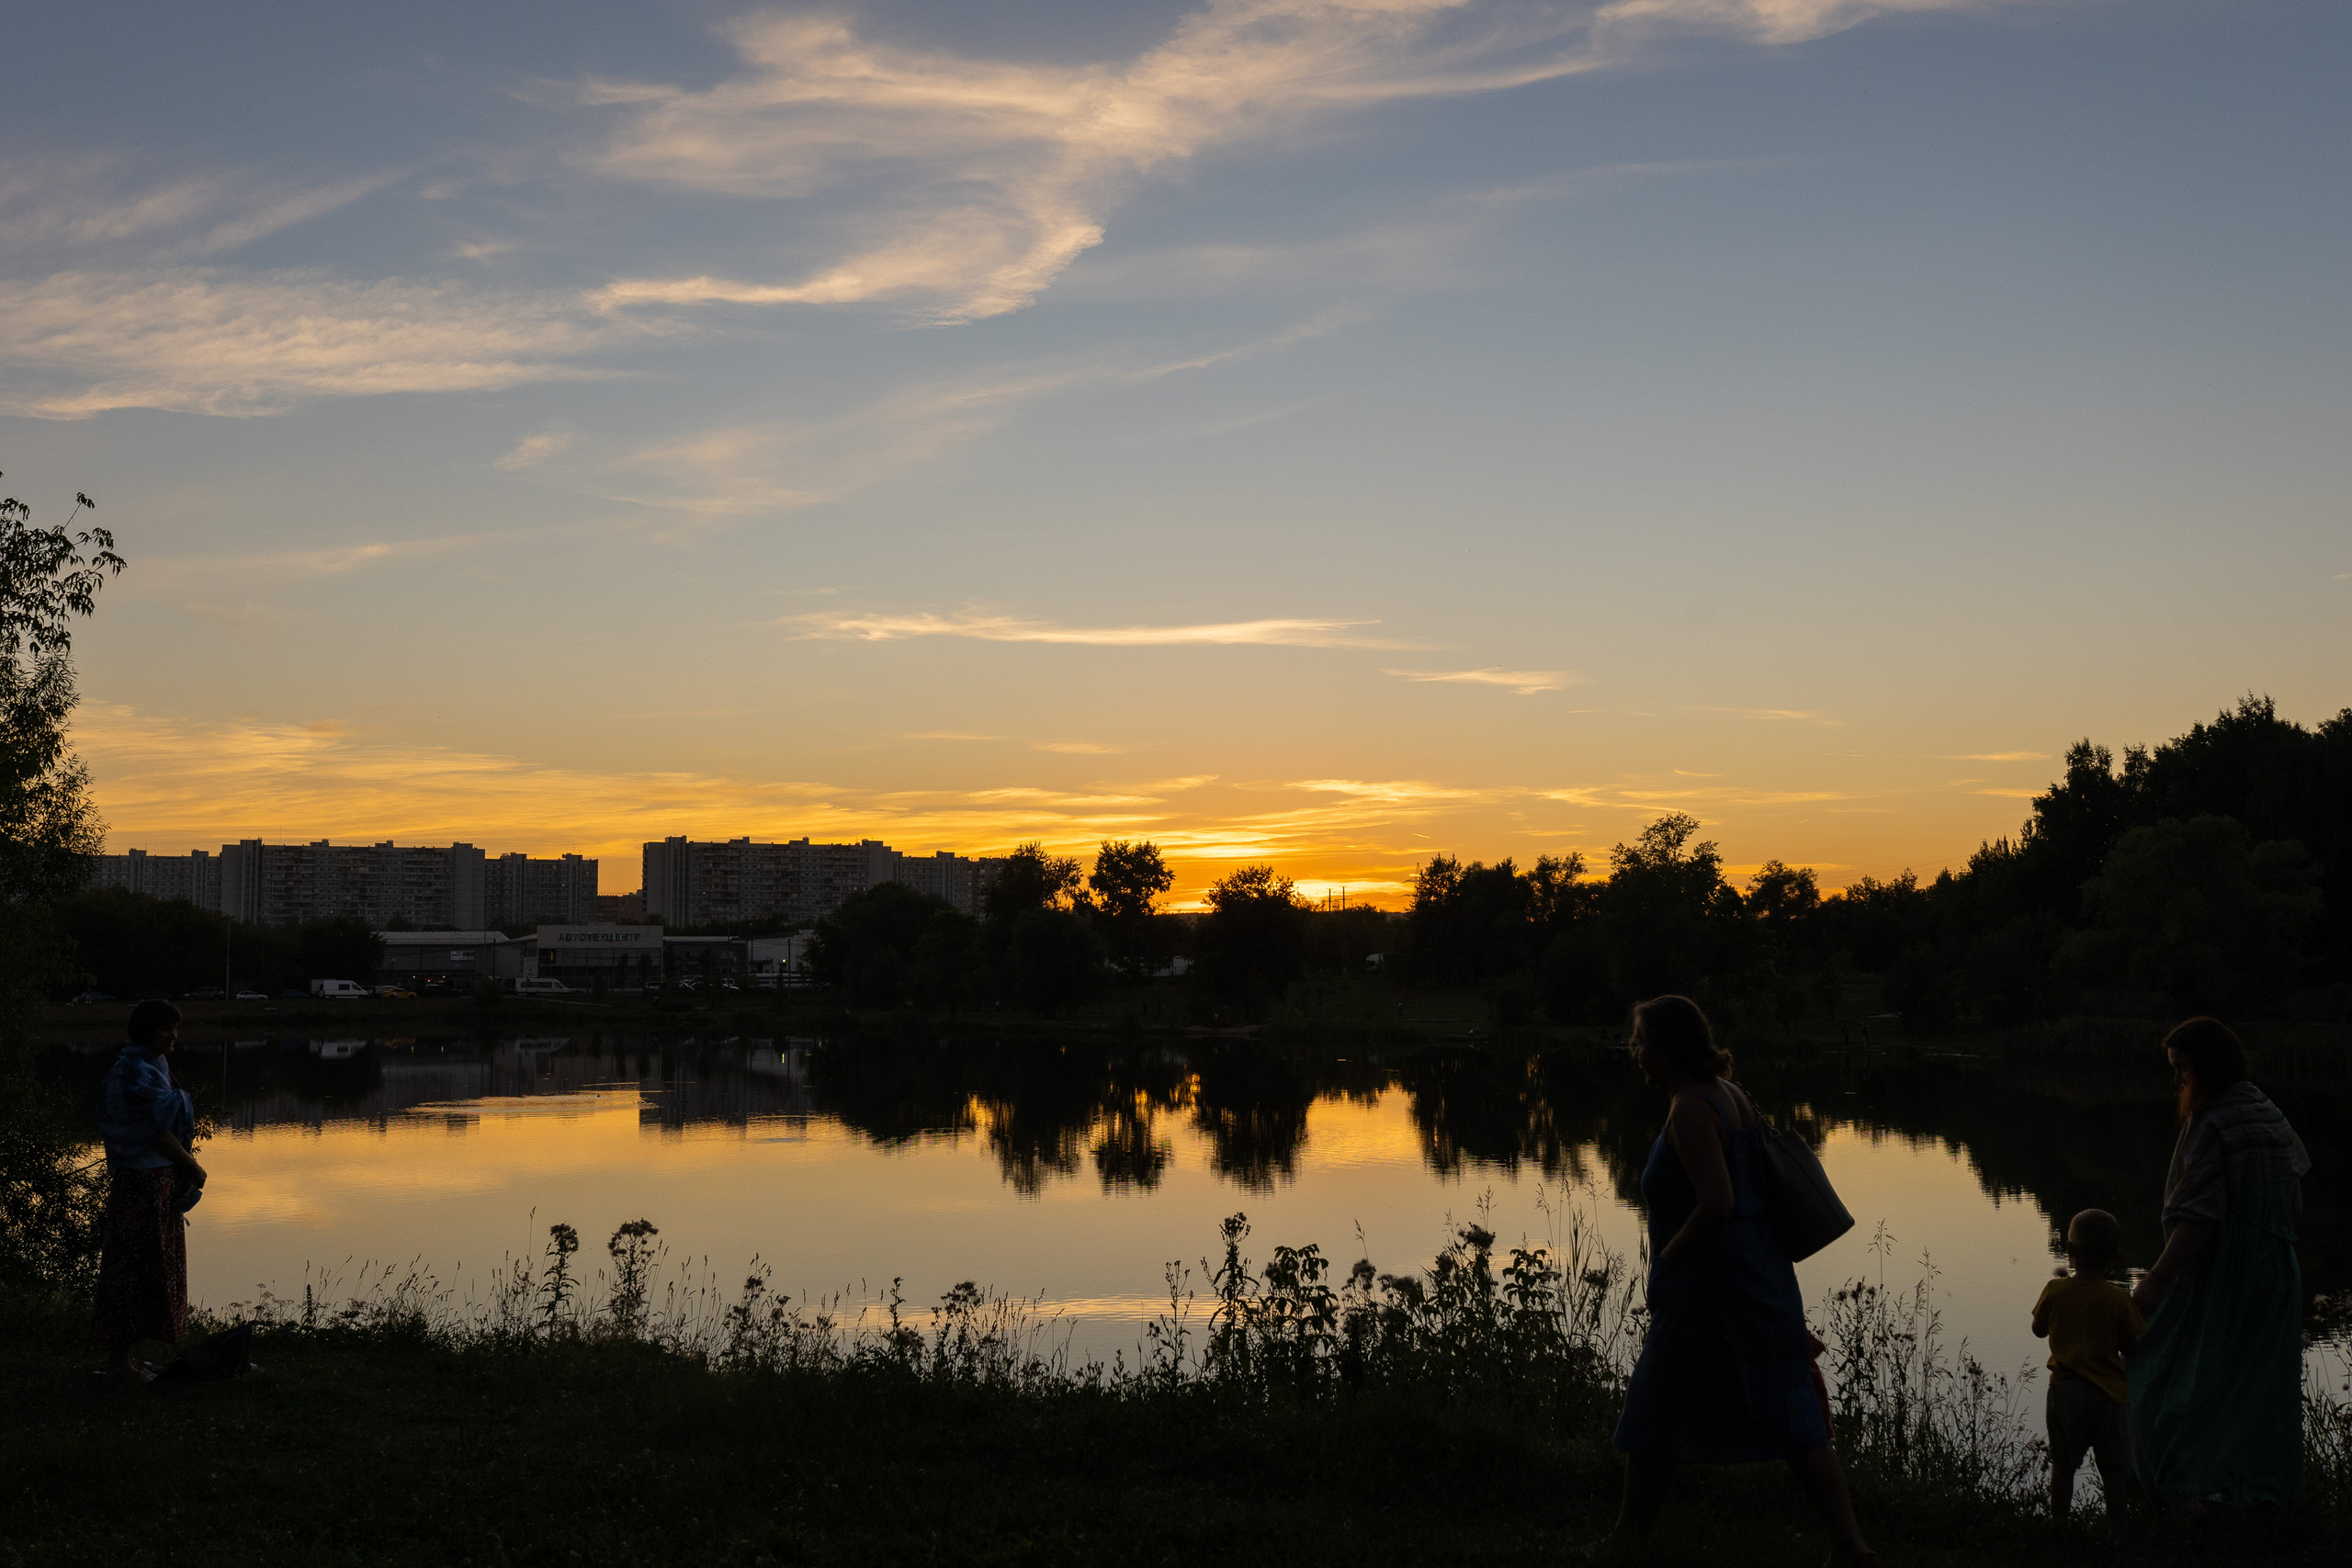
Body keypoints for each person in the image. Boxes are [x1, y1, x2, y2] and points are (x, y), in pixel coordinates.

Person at [1597, 995, 1876, 1565]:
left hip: (1710, 1288)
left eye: (1643, 1042)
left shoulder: (1692, 1110)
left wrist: (1670, 1255)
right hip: (1760, 1278)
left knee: (1655, 1407)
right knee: (1789, 1409)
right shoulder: (1733, 1096)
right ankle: (1851, 1547)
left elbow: (1717, 1202)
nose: (1637, 1053)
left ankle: (1627, 1541)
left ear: (1672, 1048)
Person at [2127, 1017, 2308, 1507]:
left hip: (2228, 1273)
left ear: (2205, 1067)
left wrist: (2157, 1280)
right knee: (2255, 1387)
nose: (2181, 1080)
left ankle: (2184, 1491)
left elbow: (2199, 1217)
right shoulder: (2265, 1107)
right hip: (2278, 1267)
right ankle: (2253, 1494)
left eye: (2184, 1069)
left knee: (2164, 1371)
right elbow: (2293, 1202)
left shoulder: (2213, 1120)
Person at [93, 998, 205, 1382]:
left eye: (175, 1027)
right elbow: (154, 1131)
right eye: (165, 1028)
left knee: (150, 1267)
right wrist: (192, 1165)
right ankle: (118, 1365)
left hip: (155, 1182)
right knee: (131, 1269)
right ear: (146, 1032)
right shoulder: (132, 1070)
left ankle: (128, 1361)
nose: (174, 1035)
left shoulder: (153, 1064)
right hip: (140, 1183)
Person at [2031, 1208, 2144, 1520]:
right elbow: (2130, 1347)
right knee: (2113, 1470)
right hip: (2109, 1395)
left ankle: (2060, 1531)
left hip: (2065, 1392)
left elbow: (2038, 1330)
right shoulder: (2120, 1299)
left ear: (2070, 1252)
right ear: (2114, 1258)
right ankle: (2118, 1535)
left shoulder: (2056, 1290)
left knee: (2063, 1466)